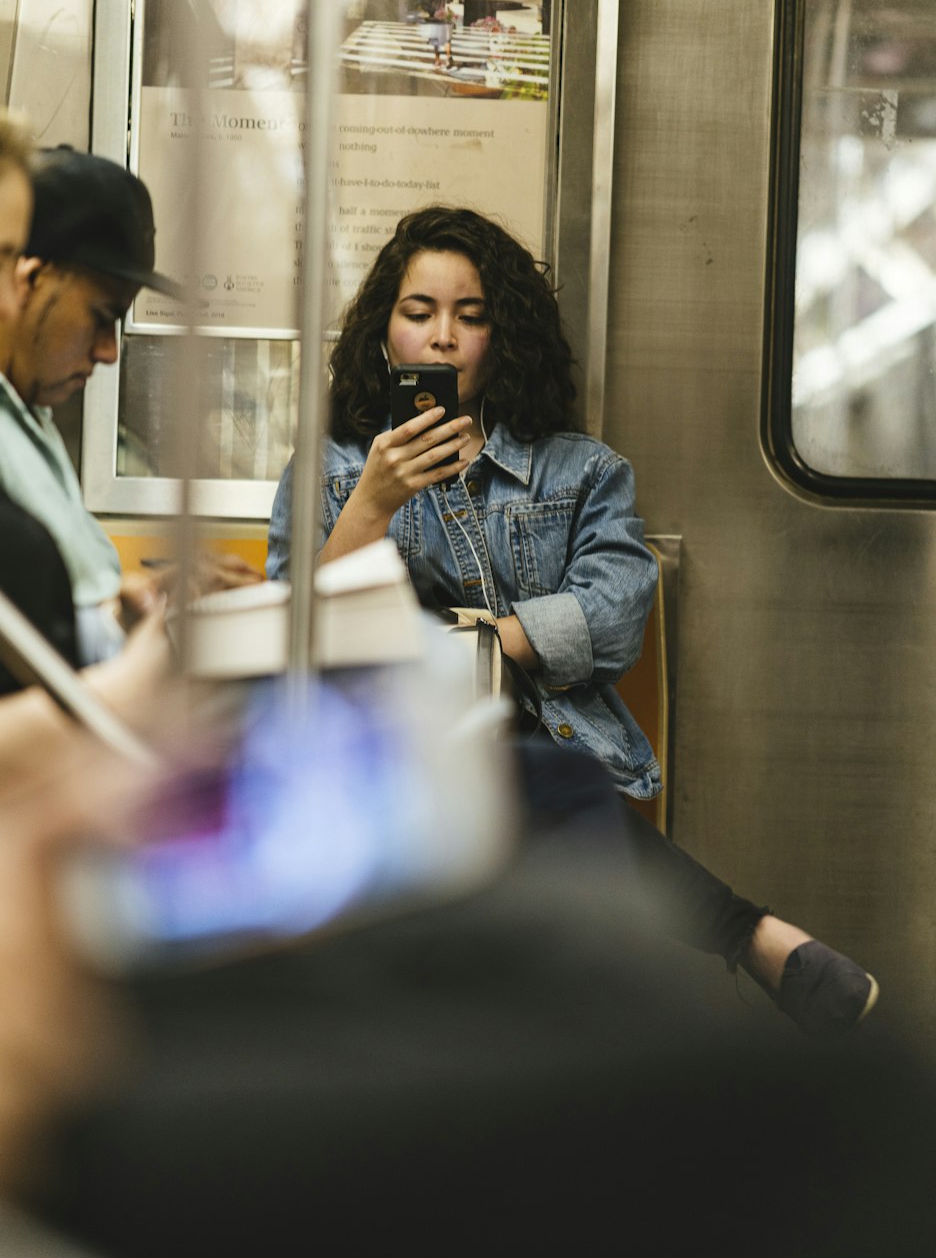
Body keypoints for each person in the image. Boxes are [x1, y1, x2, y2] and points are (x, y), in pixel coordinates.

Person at [266, 205, 878, 1038]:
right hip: (381, 756)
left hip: (550, 742)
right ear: (384, 334)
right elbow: (289, 642)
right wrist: (372, 502)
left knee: (509, 767)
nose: (442, 338)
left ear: (502, 336)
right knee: (503, 777)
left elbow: (615, 612)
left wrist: (471, 647)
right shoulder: (335, 471)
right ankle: (752, 937)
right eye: (418, 313)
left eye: (470, 316)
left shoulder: (581, 470)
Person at [0, 143, 262, 668]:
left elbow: (65, 603)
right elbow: (3, 656)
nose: (109, 351)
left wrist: (153, 596)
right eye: (101, 315)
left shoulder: (27, 417)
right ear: (29, 280)